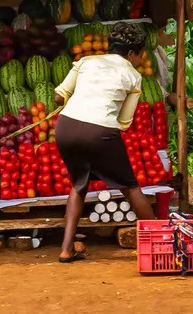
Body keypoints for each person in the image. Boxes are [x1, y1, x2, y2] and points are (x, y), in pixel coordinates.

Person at [51, 21, 159, 263]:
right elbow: (123, 122)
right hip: (100, 132)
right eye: (141, 55)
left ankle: (66, 249)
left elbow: (59, 96)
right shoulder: (133, 75)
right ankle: (159, 243)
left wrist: (71, 101)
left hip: (66, 127)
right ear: (132, 53)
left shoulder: (86, 62)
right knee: (130, 187)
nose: (141, 60)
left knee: (78, 186)